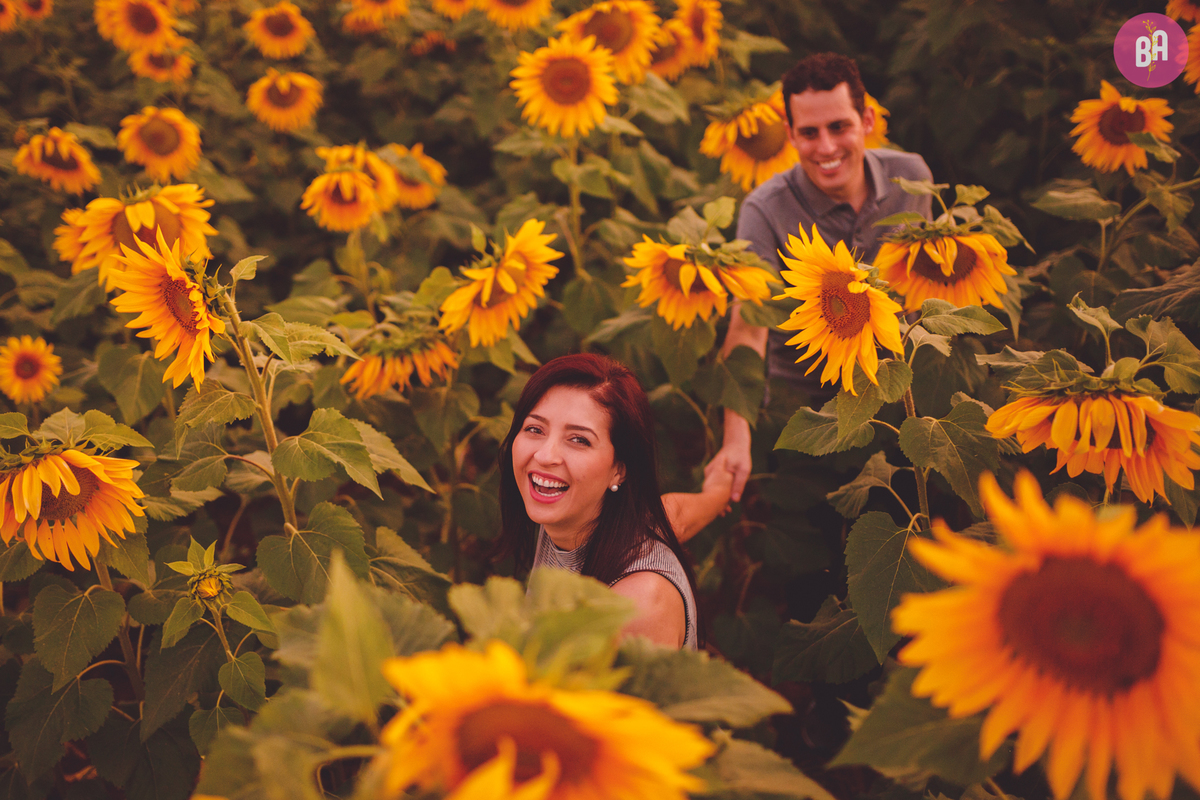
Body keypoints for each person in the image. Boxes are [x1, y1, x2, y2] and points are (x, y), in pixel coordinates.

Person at [716, 52, 934, 503]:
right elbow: (749, 325)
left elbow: (925, 283)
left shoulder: (910, 179)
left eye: (839, 127)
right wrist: (735, 436)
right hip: (807, 407)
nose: (827, 147)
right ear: (790, 134)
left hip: (901, 394)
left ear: (867, 120)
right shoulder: (766, 209)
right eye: (810, 133)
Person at [494, 353, 734, 650]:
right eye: (535, 429)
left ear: (619, 469)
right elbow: (676, 515)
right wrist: (718, 492)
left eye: (578, 439)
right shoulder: (584, 513)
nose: (544, 455)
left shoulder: (635, 607)